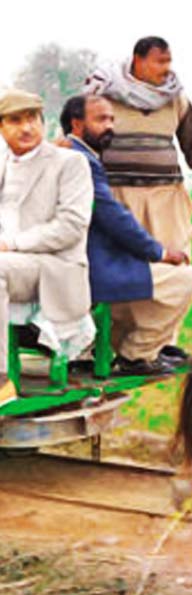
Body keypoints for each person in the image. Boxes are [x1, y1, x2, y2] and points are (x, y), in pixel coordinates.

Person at [84, 35, 192, 362]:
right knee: (123, 270)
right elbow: (79, 137)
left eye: (169, 61)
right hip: (117, 198)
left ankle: (160, 343)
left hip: (167, 201)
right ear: (138, 61)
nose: (167, 69)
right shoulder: (101, 93)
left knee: (173, 267)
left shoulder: (176, 99)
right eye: (159, 62)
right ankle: (111, 343)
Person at [61, 94, 192, 376]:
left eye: (112, 119)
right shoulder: (81, 161)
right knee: (184, 278)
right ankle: (137, 354)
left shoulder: (67, 155)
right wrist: (159, 252)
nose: (111, 126)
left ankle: (103, 350)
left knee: (145, 289)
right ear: (77, 124)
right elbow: (113, 217)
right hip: (91, 269)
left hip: (77, 266)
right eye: (101, 119)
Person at [0, 89, 92, 403]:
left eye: (32, 119)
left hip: (56, 266)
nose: (26, 128)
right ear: (1, 127)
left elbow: (71, 227)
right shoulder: (2, 164)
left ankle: (1, 383)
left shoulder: (70, 163)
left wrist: (11, 244)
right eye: (15, 120)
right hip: (13, 265)